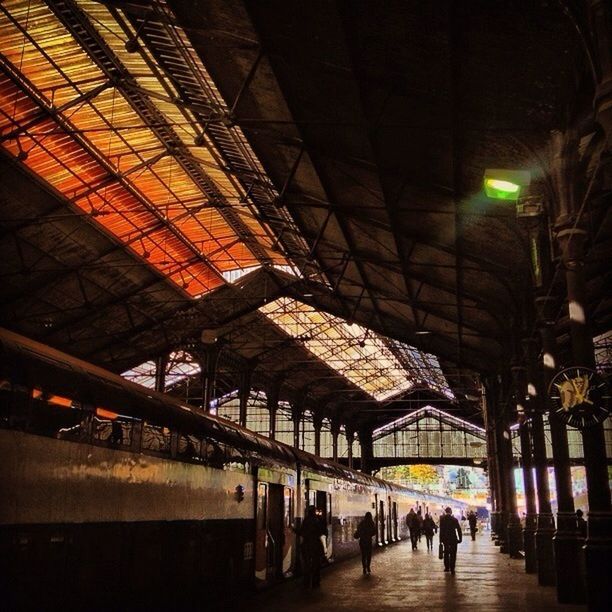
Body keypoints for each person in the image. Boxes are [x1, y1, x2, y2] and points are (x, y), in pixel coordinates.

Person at [299, 505, 327, 588]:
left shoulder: (305, 521)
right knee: (316, 565)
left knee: (307, 565)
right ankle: (315, 582)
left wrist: (294, 530)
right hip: (315, 546)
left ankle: (306, 582)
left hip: (307, 545)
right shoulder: (317, 521)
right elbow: (322, 532)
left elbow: (301, 532)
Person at [439, 506, 462, 574]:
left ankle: (446, 567)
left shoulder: (442, 519)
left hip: (445, 539)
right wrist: (460, 538)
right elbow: (458, 529)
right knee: (453, 554)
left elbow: (441, 530)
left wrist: (441, 540)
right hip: (453, 539)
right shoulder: (454, 519)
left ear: (446, 512)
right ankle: (452, 568)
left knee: (446, 553)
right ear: (451, 512)